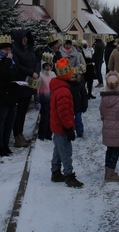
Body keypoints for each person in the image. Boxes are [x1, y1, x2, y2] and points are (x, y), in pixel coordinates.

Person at [49, 58, 84, 188]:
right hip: (62, 127)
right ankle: (68, 175)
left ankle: (55, 172)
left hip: (57, 126)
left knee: (58, 149)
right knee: (66, 151)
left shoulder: (58, 87)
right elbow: (64, 113)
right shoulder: (64, 91)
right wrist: (69, 127)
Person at [0, 34, 20, 157]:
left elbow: (14, 73)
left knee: (9, 122)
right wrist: (7, 61)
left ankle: (6, 145)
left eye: (10, 50)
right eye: (6, 50)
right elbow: (0, 74)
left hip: (11, 95)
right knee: (0, 122)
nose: (8, 52)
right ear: (0, 50)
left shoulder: (11, 61)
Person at [12, 29, 40, 147]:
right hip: (20, 85)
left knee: (23, 112)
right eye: (23, 37)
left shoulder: (29, 49)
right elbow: (17, 66)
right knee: (18, 113)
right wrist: (30, 72)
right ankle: (17, 135)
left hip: (29, 85)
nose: (25, 39)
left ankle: (21, 134)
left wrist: (36, 72)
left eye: (26, 37)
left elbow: (36, 61)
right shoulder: (15, 50)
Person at [38, 57, 56, 141]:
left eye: (49, 66)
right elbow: (37, 88)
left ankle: (49, 134)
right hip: (44, 99)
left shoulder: (53, 74)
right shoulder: (40, 75)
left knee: (51, 117)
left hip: (52, 99)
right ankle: (42, 134)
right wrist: (37, 100)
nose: (48, 68)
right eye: (46, 66)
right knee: (44, 118)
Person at [69, 71, 88, 137]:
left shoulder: (80, 85)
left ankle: (79, 132)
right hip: (70, 106)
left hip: (78, 106)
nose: (72, 78)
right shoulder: (68, 86)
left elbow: (84, 96)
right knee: (70, 120)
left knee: (78, 120)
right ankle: (71, 131)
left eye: (74, 77)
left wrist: (85, 105)